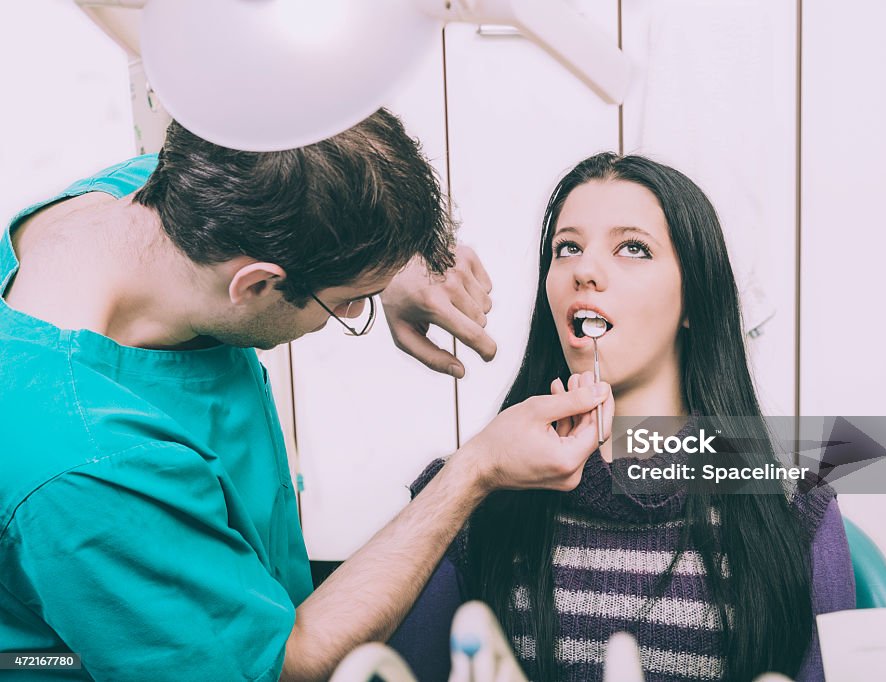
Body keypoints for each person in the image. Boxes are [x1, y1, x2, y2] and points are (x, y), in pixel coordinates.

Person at [0, 109, 613, 681]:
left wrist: (384, 261)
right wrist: (474, 470)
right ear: (258, 282)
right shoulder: (90, 470)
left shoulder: (159, 202)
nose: (355, 310)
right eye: (349, 302)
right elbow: (281, 663)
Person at [395, 152, 855, 681]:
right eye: (567, 248)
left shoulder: (796, 507)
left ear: (694, 303)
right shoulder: (463, 499)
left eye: (633, 248)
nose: (583, 270)